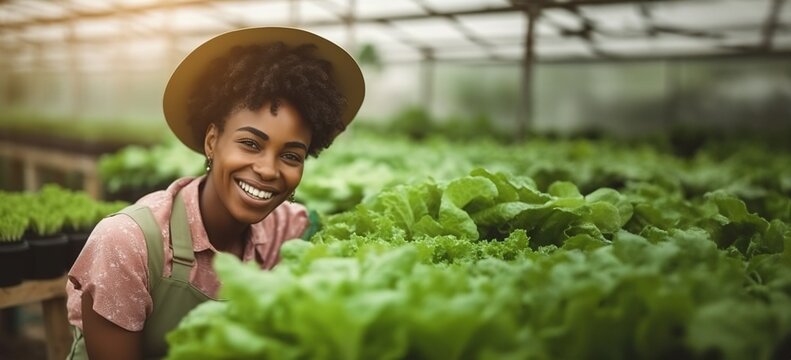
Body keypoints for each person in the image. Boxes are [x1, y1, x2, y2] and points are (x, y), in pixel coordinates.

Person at [65, 27, 365, 360]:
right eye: (250, 144)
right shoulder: (129, 243)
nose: (268, 169)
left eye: (291, 155)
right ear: (212, 142)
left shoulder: (290, 232)